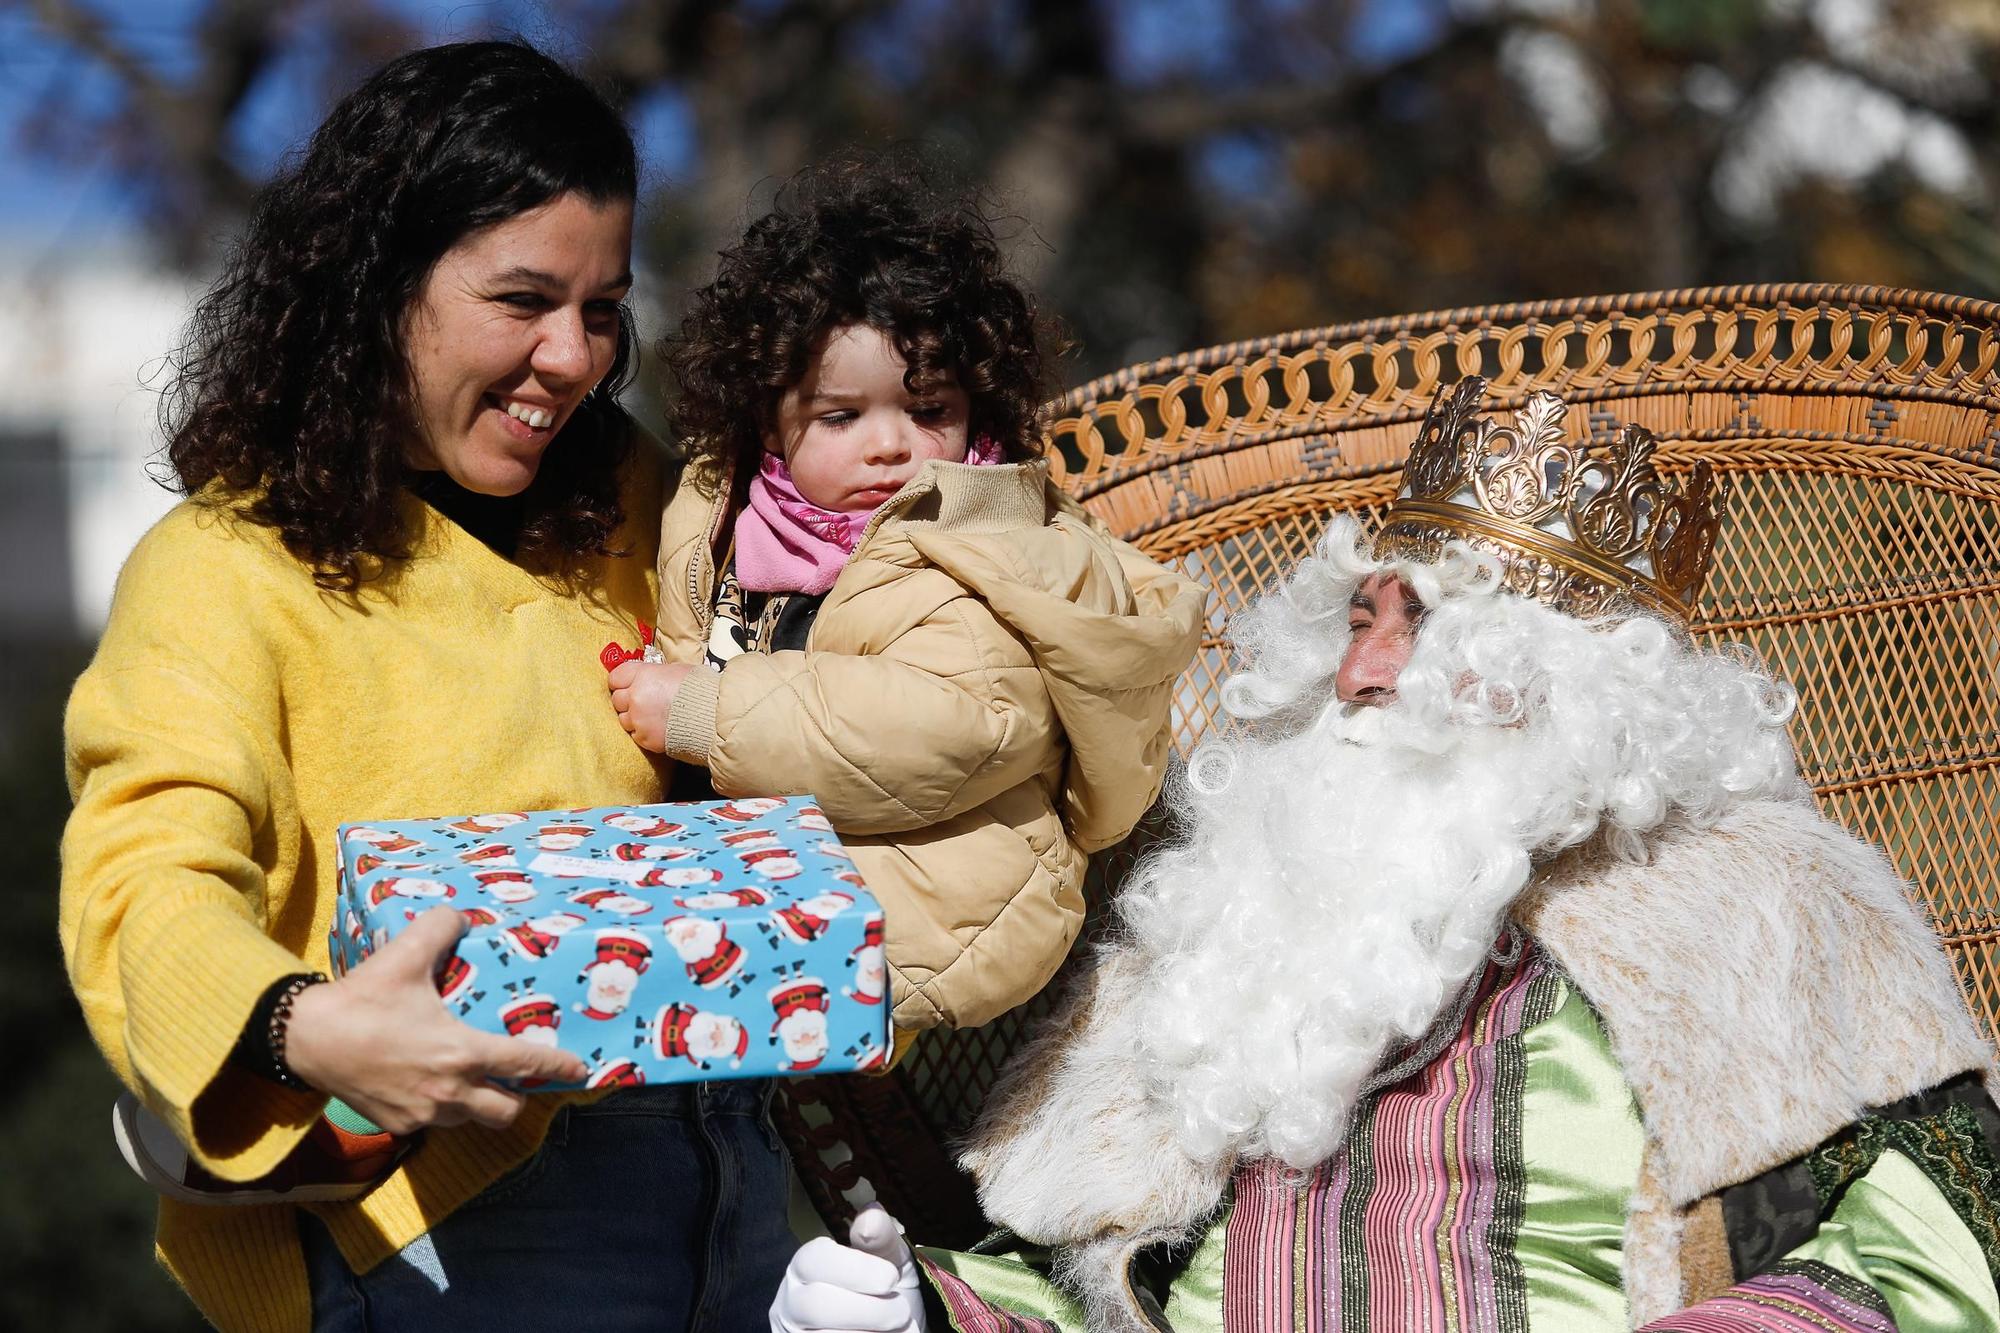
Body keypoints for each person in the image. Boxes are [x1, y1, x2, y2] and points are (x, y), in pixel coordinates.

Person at [770, 377, 2000, 1332]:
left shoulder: (1758, 898)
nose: (1359, 674)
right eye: (1357, 621)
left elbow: (1938, 1246)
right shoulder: (1215, 920)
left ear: (1567, 685)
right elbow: (1084, 1283)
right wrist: (924, 1310)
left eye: (1424, 630)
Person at [61, 41, 792, 1332]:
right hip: (454, 1226)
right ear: (376, 285)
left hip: (748, 1169)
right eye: (523, 299)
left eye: (606, 306)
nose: (572, 356)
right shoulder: (223, 568)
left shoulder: (643, 503)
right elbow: (142, 882)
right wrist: (301, 1026)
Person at [606, 160, 1205, 1042]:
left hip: (934, 892)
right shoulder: (726, 509)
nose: (890, 446)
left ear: (977, 406)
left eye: (927, 409)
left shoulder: (987, 547)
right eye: (841, 416)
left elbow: (953, 723)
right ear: (769, 420)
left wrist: (699, 706)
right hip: (775, 858)